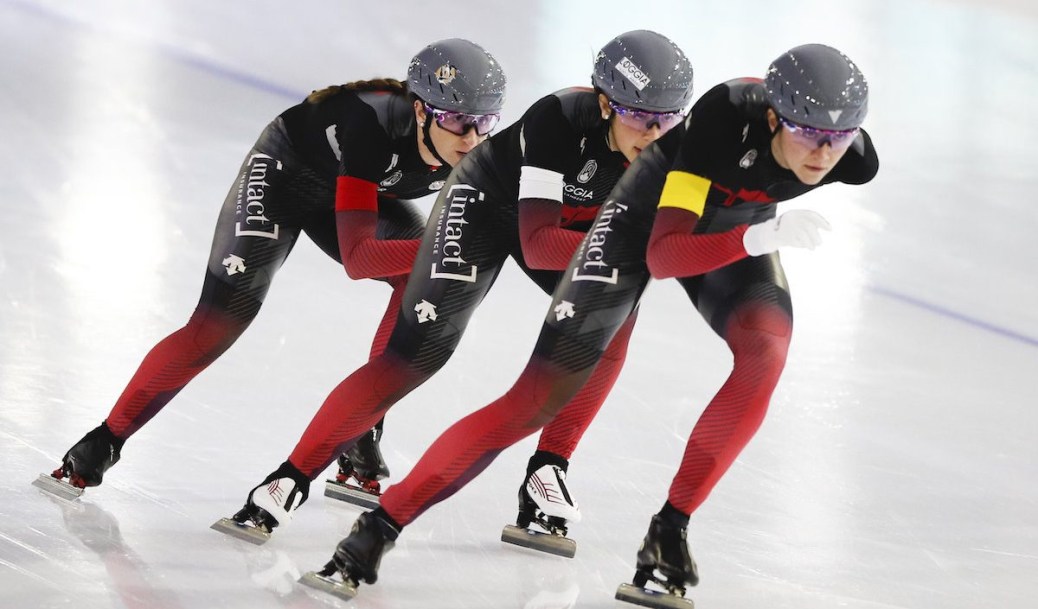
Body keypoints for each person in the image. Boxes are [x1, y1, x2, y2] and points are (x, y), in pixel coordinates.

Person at [305, 43, 879, 605]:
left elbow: (812, 169)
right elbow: (665, 255)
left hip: (737, 226)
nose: (823, 153)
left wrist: (755, 230)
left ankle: (668, 533)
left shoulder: (855, 158)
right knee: (533, 401)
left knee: (766, 355)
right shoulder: (719, 122)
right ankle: (378, 529)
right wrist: (761, 236)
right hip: (648, 225)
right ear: (774, 117)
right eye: (808, 133)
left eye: (838, 136)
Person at [219, 30, 695, 545]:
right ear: (604, 103)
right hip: (486, 209)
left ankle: (548, 471)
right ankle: (288, 479)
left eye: (667, 118)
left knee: (617, 315)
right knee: (419, 355)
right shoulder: (557, 118)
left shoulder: (678, 147)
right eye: (636, 115)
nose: (652, 132)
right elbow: (537, 243)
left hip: (562, 228)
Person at [34, 38, 507, 501]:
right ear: (422, 110)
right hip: (286, 177)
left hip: (356, 192)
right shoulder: (370, 122)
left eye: (485, 122)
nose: (473, 138)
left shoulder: (481, 151)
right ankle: (102, 441)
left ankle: (362, 424)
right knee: (219, 322)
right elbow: (360, 258)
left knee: (420, 279)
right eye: (459, 121)